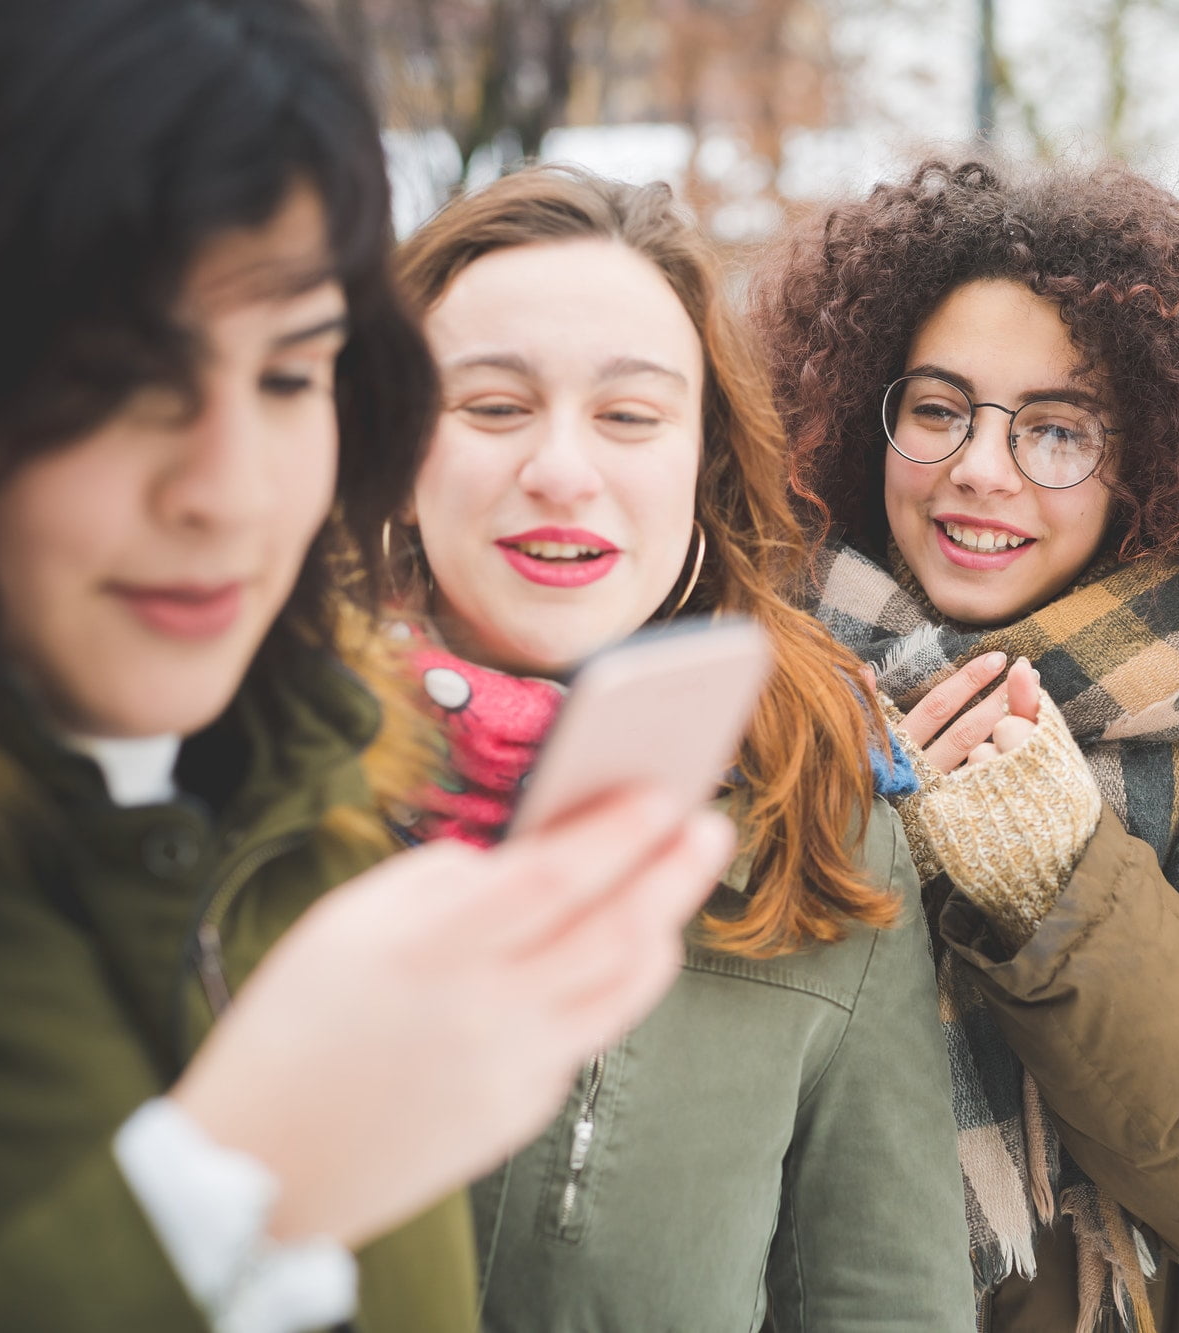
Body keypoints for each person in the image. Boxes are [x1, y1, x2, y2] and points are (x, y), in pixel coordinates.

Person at [0, 5, 730, 1330]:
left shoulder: (309, 796)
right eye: (118, 378)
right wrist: (229, 1183)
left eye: (288, 374)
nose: (228, 490)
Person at [753, 158, 1179, 1332]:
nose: (980, 468)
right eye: (936, 410)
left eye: (1056, 430)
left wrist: (1056, 880)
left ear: (1153, 461)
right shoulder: (744, 682)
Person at [384, 165, 974, 1332]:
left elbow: (883, 1298)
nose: (561, 468)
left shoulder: (817, 802)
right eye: (493, 406)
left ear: (702, 468)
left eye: (628, 415)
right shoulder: (219, 759)